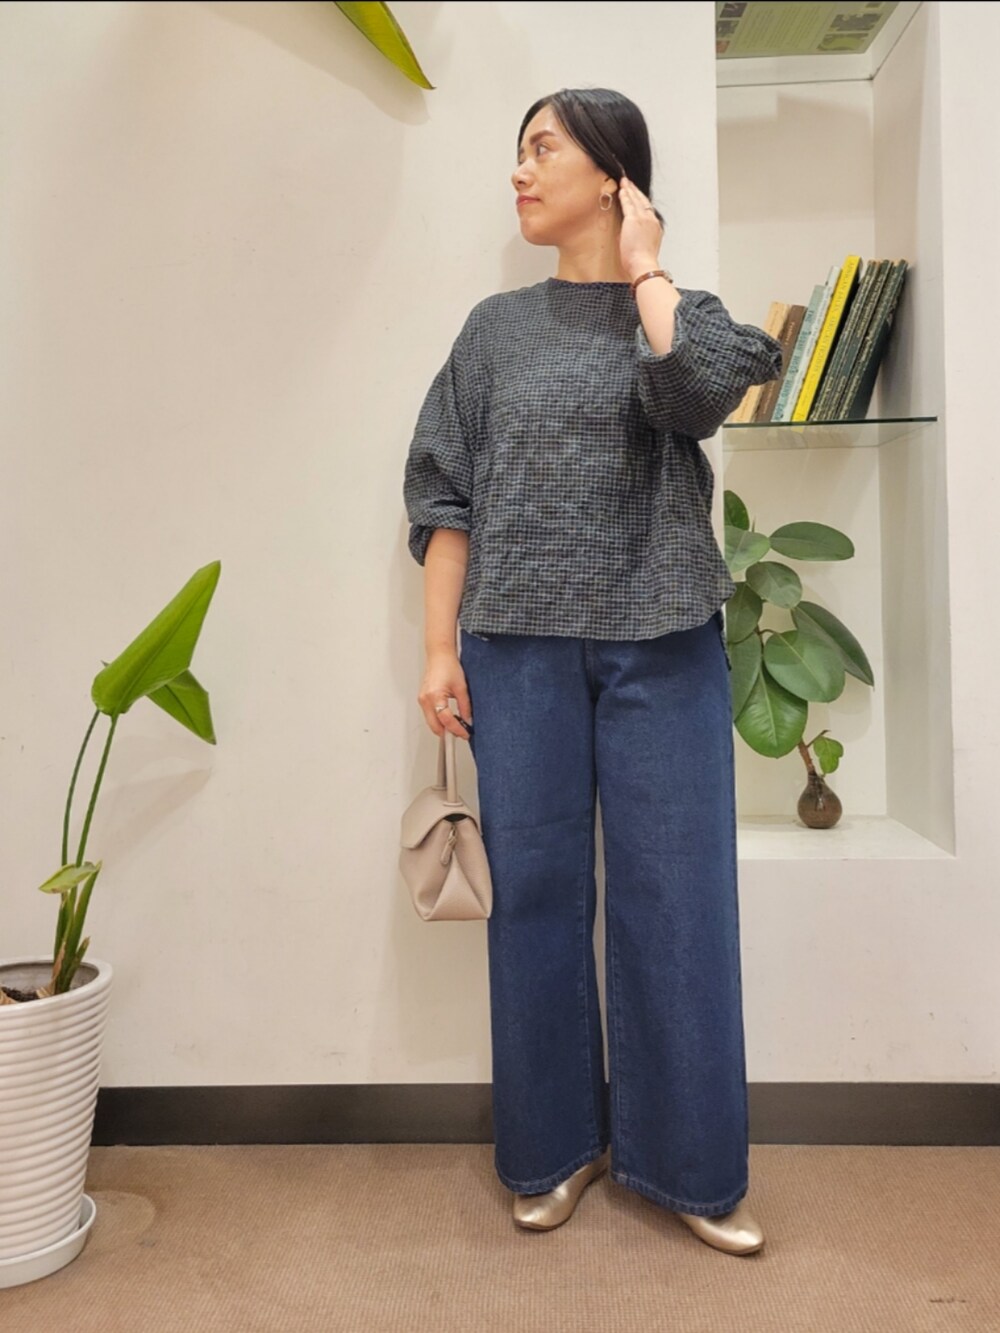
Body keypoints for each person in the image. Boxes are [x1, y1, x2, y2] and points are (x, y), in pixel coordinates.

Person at [402, 87, 782, 1256]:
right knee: (535, 896)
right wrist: (436, 647)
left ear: (614, 175)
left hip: (663, 641)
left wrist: (646, 264)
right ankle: (552, 1147)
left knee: (679, 899)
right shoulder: (492, 331)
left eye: (542, 149)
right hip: (514, 650)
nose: (519, 172)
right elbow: (445, 495)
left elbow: (702, 394)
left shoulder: (681, 315)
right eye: (517, 152)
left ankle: (691, 1169)